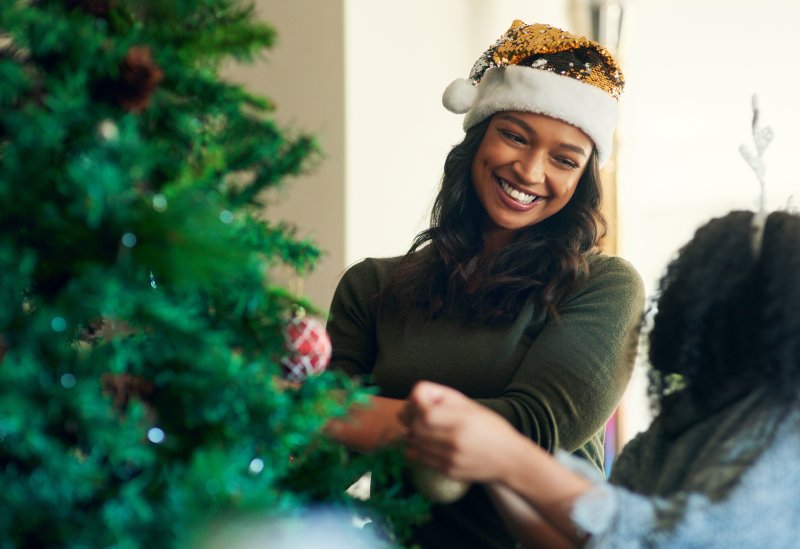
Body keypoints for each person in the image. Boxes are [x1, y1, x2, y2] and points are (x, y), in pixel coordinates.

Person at [325, 20, 644, 548]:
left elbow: (528, 433)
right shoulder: (371, 287)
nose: (530, 170)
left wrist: (326, 409)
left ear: (582, 179)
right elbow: (324, 455)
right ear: (478, 138)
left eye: (564, 159)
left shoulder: (604, 286)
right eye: (515, 136)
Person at [402, 209, 800, 548]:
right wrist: (491, 465)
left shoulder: (789, 431)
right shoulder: (679, 423)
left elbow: (680, 539)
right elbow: (593, 538)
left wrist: (511, 456)